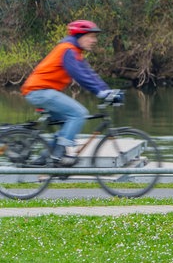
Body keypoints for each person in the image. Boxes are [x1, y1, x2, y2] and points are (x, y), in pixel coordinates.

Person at [21, 20, 120, 166]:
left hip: (42, 91)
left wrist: (106, 91)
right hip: (40, 91)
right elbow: (80, 75)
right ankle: (59, 156)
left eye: (95, 37)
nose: (94, 40)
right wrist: (100, 93)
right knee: (79, 113)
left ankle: (45, 156)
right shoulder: (68, 50)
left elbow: (90, 74)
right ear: (79, 35)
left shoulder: (75, 52)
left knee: (67, 123)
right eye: (91, 36)